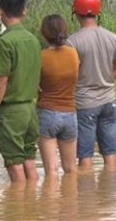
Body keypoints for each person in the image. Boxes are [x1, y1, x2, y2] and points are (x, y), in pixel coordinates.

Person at [67, 0, 116, 171]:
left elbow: (70, 75)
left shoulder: (73, 42)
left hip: (85, 104)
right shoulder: (113, 38)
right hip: (110, 103)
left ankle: (87, 199)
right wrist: (105, 76)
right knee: (110, 154)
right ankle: (109, 195)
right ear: (98, 11)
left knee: (85, 157)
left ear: (75, 12)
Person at [0, 0, 41, 183]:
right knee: (29, 160)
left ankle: (19, 209)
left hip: (12, 113)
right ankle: (34, 205)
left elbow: (2, 81)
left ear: (1, 13)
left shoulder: (5, 42)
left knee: (14, 164)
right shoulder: (33, 40)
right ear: (24, 11)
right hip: (30, 110)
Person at [37, 14, 79, 175]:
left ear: (44, 34)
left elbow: (36, 85)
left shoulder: (42, 57)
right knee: (71, 169)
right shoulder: (73, 54)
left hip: (47, 112)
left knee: (52, 171)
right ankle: (71, 199)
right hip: (70, 113)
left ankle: (51, 200)